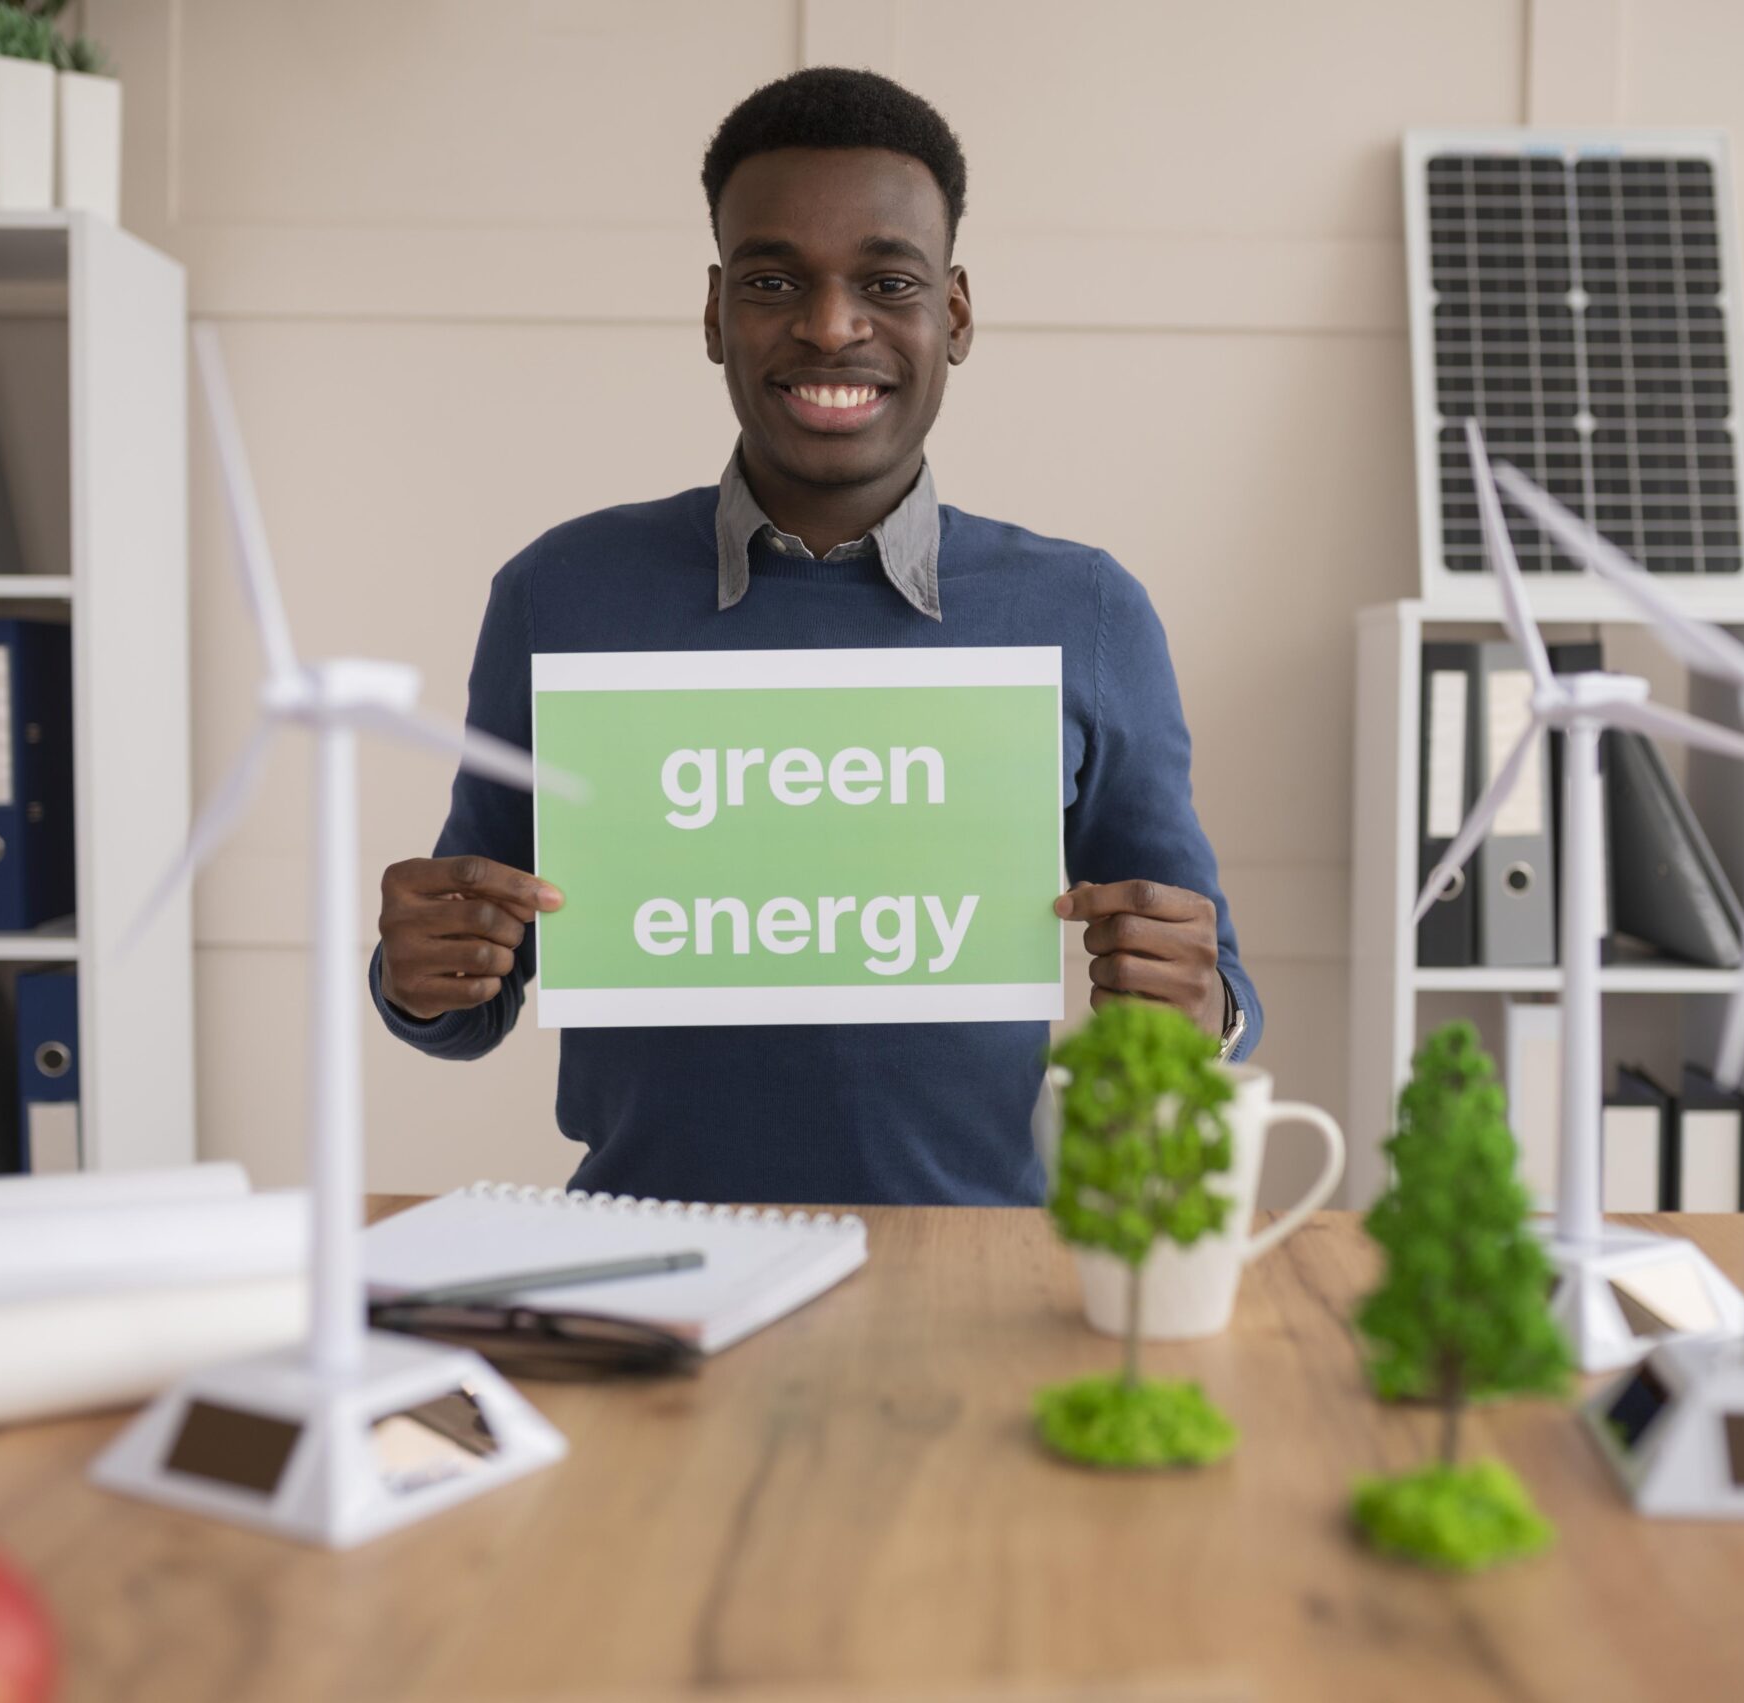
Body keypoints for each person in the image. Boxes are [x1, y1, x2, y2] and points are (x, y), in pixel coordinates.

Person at [371, 67, 1262, 1205]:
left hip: (978, 1272)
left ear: (955, 312)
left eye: (886, 280)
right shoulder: (561, 594)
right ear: (714, 313)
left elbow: (1210, 982)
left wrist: (1203, 1007)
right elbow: (469, 995)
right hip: (646, 1262)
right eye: (773, 279)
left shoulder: (1084, 611)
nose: (830, 324)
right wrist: (422, 978)